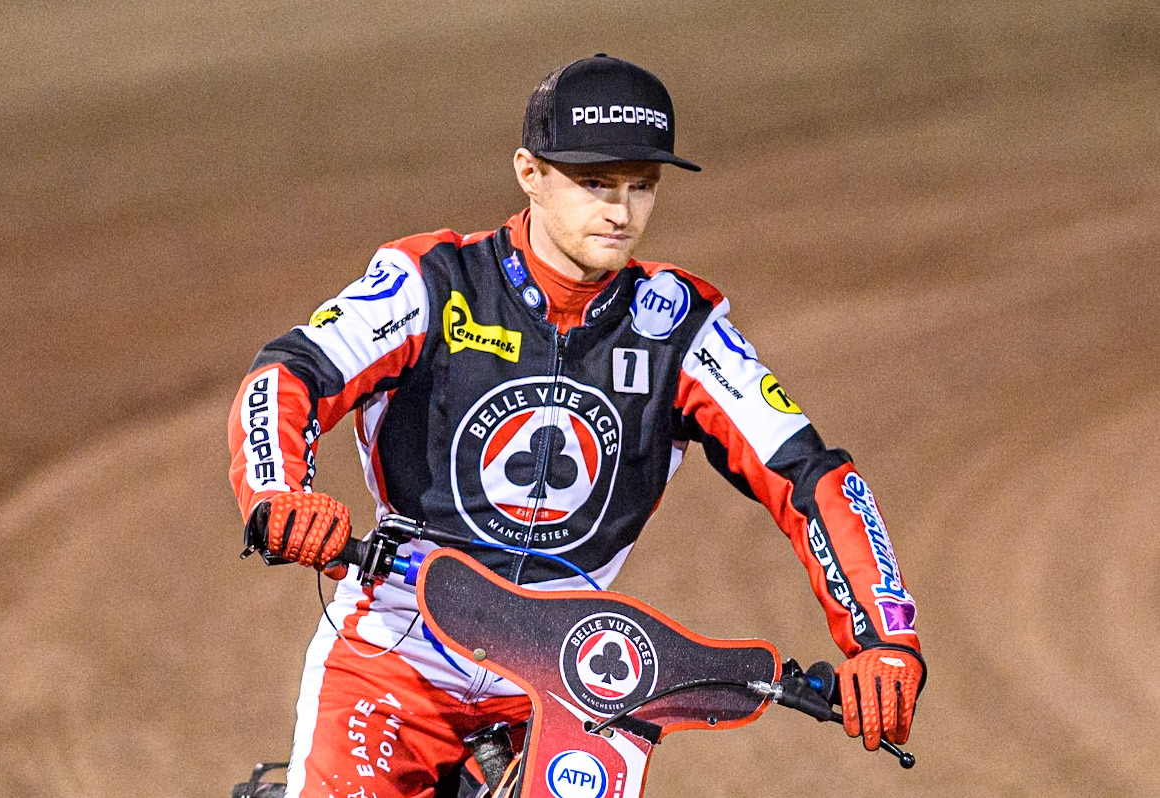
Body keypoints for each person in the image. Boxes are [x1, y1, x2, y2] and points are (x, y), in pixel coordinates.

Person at [227, 53, 925, 798]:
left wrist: (883, 639)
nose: (621, 213)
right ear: (529, 172)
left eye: (641, 187)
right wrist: (276, 491)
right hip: (398, 652)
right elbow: (288, 372)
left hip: (572, 674)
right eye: (595, 183)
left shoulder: (680, 329)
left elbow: (807, 474)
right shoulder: (431, 281)